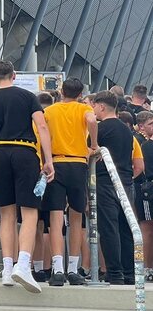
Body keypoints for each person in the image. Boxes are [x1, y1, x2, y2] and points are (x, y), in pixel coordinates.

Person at [0, 60, 53, 293]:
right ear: (14, 75)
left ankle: (8, 268)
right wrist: (48, 159)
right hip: (25, 151)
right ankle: (24, 264)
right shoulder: (27, 96)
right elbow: (41, 127)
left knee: (6, 214)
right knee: (29, 213)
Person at [42, 78, 96, 286]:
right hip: (78, 163)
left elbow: (42, 133)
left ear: (61, 91)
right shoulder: (82, 109)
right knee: (76, 218)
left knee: (55, 219)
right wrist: (95, 144)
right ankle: (73, 268)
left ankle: (57, 268)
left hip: (56, 162)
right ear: (81, 94)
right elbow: (92, 121)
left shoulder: (51, 111)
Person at [93, 90, 138, 284]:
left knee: (109, 227)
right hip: (126, 181)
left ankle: (114, 272)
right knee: (125, 227)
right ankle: (130, 272)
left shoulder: (100, 130)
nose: (93, 109)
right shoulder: (126, 130)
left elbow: (91, 152)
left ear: (102, 106)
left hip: (105, 181)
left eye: (94, 105)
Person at [134, 111, 153, 279]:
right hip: (147, 192)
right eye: (151, 123)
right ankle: (147, 267)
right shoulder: (145, 146)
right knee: (146, 228)